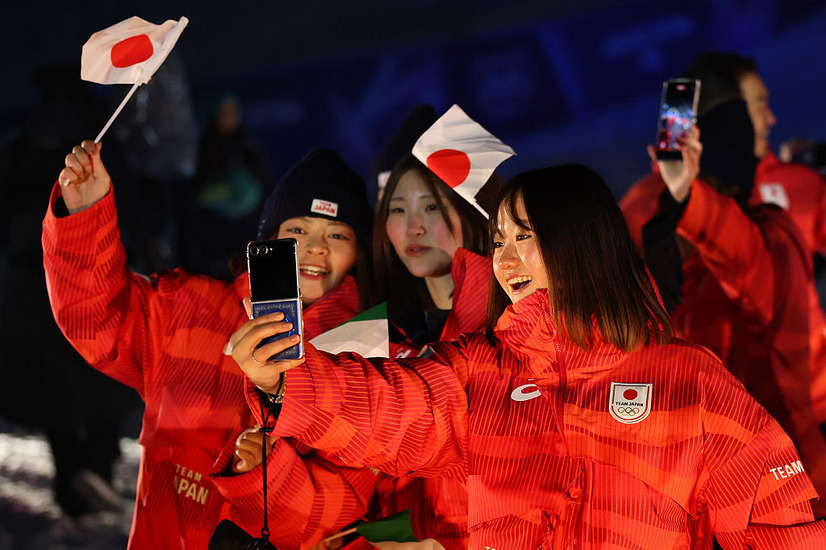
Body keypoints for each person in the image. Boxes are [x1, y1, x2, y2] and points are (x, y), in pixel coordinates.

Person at [232, 163, 826, 548]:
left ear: (582, 241)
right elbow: (391, 408)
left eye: (528, 237)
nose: (508, 260)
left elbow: (778, 527)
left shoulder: (688, 380)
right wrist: (287, 383)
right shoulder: (479, 371)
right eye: (499, 242)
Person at [43, 143, 377, 549]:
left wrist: (269, 475)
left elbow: (345, 507)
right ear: (268, 239)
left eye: (338, 234)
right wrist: (84, 216)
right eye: (298, 229)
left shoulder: (368, 354)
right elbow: (98, 319)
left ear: (360, 252)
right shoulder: (188, 307)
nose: (316, 246)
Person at [620, 51, 826, 424]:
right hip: (723, 414)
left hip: (802, 404)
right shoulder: (647, 207)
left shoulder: (798, 185)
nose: (770, 119)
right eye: (757, 105)